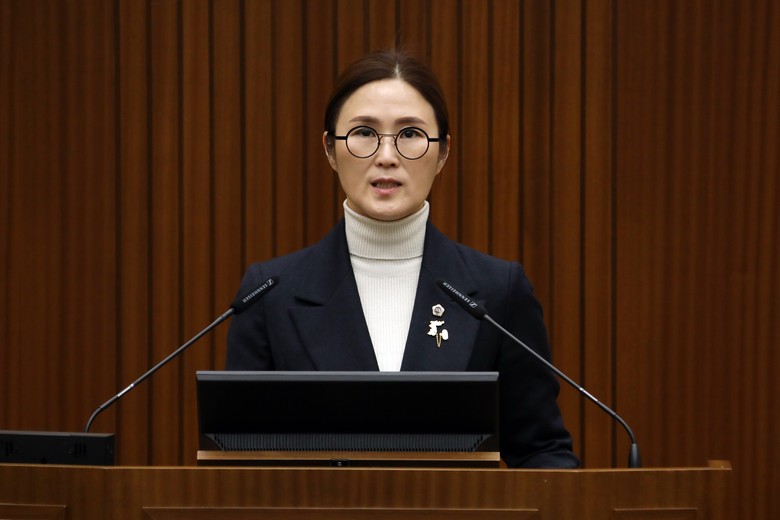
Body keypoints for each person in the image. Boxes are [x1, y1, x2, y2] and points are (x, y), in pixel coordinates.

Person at [226, 49, 579, 469]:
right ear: (330, 150)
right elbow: (238, 461)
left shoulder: (496, 292)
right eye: (364, 132)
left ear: (443, 152)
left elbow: (542, 453)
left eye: (410, 133)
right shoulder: (270, 294)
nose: (387, 156)